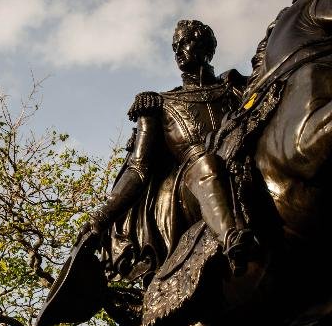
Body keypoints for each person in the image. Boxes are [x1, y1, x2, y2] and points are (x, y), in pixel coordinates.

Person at [83, 20, 253, 282]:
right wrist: (102, 217)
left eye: (185, 42)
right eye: (175, 47)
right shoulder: (159, 104)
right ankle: (233, 239)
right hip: (190, 183)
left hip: (240, 162)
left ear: (206, 49)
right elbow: (138, 168)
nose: (178, 52)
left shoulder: (235, 89)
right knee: (205, 164)